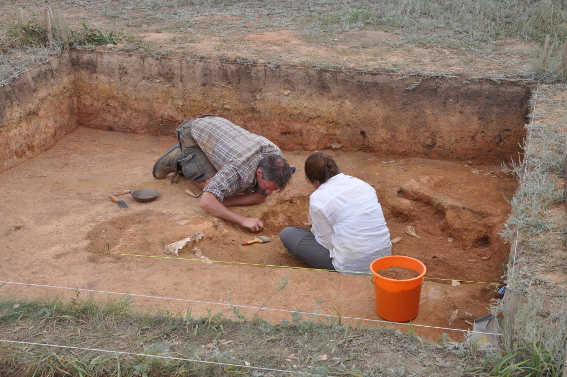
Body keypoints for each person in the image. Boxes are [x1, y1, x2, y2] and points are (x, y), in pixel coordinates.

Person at [152, 115, 292, 232]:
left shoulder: (276, 155)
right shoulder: (238, 169)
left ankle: (194, 160)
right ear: (259, 172)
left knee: (225, 194)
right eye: (267, 187)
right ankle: (179, 160)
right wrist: (243, 220)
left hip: (219, 130)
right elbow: (206, 202)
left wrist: (227, 201)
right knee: (210, 185)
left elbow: (260, 197)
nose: (269, 192)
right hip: (194, 133)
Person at [280, 152, 391, 275]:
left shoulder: (318, 198)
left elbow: (326, 244)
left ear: (315, 182)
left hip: (352, 266)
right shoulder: (362, 184)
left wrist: (315, 227)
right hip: (383, 259)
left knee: (289, 233)